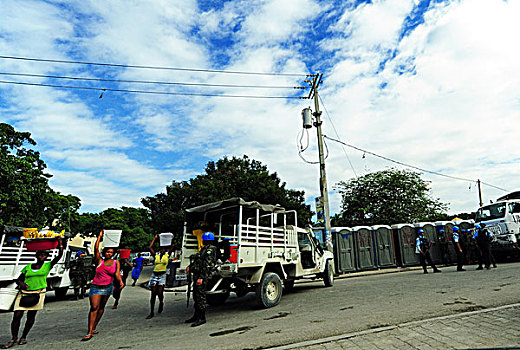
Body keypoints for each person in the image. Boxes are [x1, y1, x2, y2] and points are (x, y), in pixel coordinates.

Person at [2, 238, 64, 348]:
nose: (42, 256)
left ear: (46, 257)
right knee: (17, 316)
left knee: (30, 316)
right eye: (40, 254)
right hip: (24, 292)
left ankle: (24, 337)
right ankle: (14, 338)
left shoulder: (47, 266)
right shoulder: (28, 267)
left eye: (44, 255)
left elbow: (59, 256)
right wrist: (22, 284)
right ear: (36, 256)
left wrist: (60, 243)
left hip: (38, 293)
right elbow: (18, 279)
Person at [83, 230, 124, 341]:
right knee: (94, 307)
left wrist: (120, 282)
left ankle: (94, 326)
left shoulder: (116, 262)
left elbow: (116, 273)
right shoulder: (99, 260)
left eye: (111, 252)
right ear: (104, 252)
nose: (109, 254)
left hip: (107, 287)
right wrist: (99, 237)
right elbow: (95, 249)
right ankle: (89, 331)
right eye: (107, 252)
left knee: (101, 307)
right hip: (96, 287)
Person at [185, 231, 218, 327]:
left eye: (204, 240)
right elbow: (198, 262)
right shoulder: (203, 249)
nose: (202, 241)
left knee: (201, 297)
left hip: (202, 276)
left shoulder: (210, 250)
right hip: (197, 275)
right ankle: (196, 315)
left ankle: (202, 317)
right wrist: (190, 267)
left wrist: (201, 278)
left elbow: (207, 265)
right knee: (196, 296)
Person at [146, 234, 174, 319]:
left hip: (162, 275)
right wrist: (154, 239)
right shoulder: (156, 255)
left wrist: (170, 239)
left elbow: (173, 246)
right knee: (153, 293)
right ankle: (151, 312)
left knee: (160, 292)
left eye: (164, 249)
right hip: (155, 274)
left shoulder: (167, 255)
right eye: (161, 248)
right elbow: (150, 247)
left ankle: (161, 302)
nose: (162, 250)